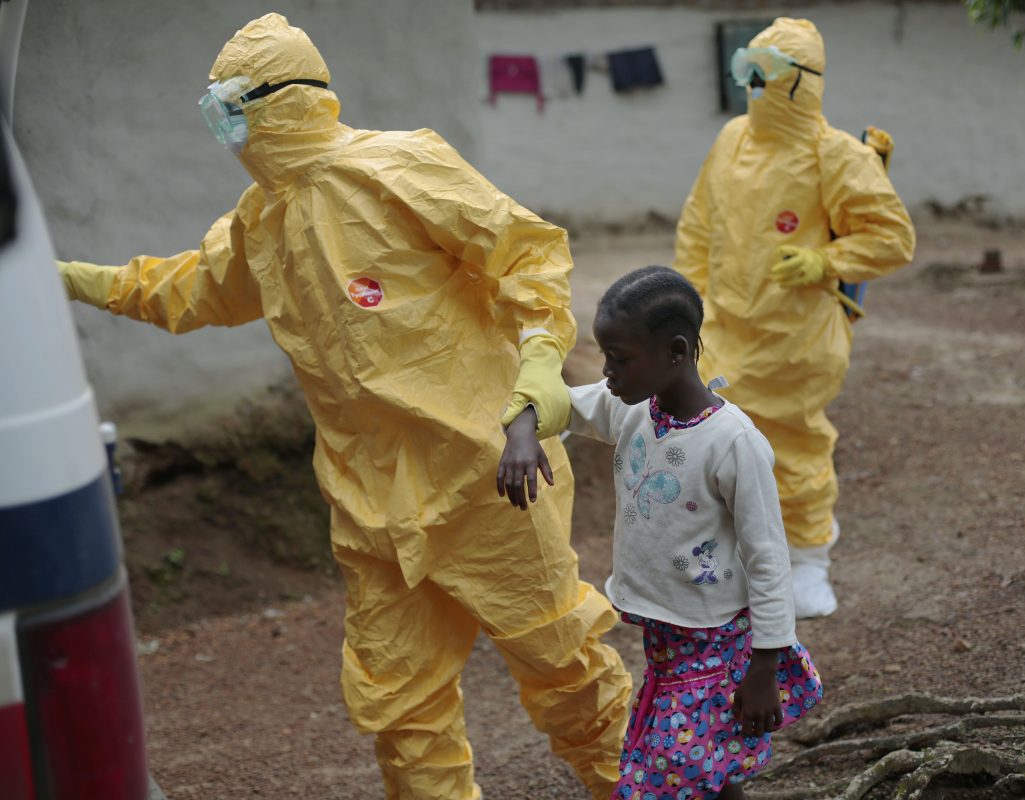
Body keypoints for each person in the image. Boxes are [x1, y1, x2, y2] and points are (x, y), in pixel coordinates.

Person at [55, 13, 631, 800]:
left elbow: (525, 251)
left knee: (564, 665)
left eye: (230, 106)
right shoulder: (262, 219)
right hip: (373, 505)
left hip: (487, 472)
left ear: (278, 101)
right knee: (401, 703)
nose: (223, 128)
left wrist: (538, 377)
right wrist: (63, 277)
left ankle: (642, 787)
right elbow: (184, 289)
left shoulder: (398, 167)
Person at [544, 265, 823, 799]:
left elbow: (767, 558)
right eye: (605, 357)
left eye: (619, 359)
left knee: (664, 778)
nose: (607, 373)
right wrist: (521, 435)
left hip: (714, 640)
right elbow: (560, 405)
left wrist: (765, 666)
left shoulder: (733, 443)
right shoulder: (632, 410)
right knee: (710, 770)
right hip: (667, 639)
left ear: (676, 352)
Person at [674, 17, 916, 619]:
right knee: (717, 444)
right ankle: (729, 558)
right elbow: (698, 227)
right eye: (745, 71)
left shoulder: (835, 154)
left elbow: (893, 238)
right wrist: (687, 305)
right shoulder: (731, 139)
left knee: (796, 445)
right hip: (723, 330)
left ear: (802, 81)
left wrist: (823, 259)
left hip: (798, 337)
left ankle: (809, 562)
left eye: (767, 73)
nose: (753, 85)